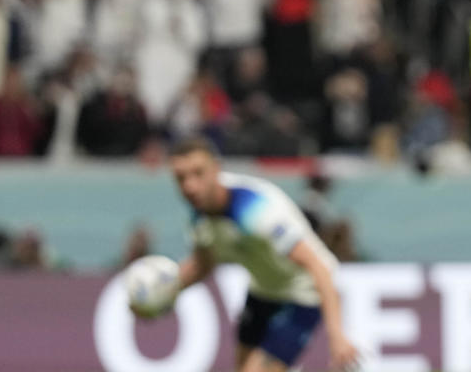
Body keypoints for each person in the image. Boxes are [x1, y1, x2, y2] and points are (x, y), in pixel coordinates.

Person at [131, 137, 359, 372]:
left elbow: (318, 266)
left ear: (215, 170)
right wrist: (163, 293)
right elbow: (203, 264)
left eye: (198, 173)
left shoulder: (257, 210)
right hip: (262, 290)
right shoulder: (199, 214)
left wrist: (337, 336)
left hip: (303, 292)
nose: (190, 186)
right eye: (181, 178)